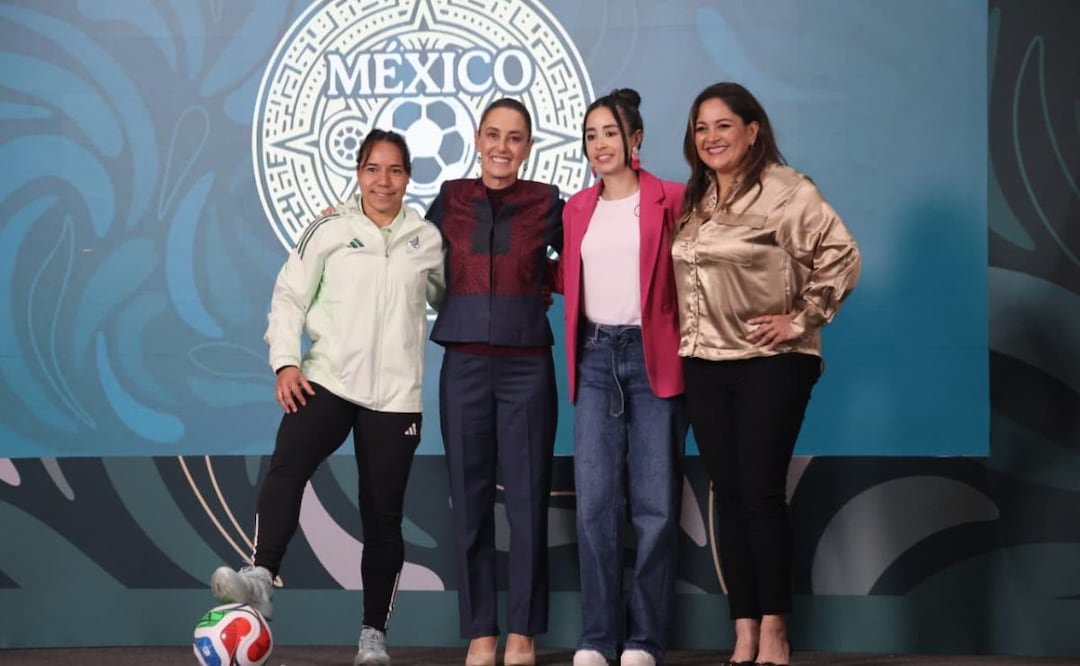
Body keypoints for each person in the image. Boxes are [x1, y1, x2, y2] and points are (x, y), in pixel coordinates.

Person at [209, 130, 445, 666]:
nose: (383, 181)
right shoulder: (330, 226)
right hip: (329, 379)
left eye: (395, 171)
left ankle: (372, 638)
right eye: (373, 169)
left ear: (408, 177)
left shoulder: (427, 239)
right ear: (358, 172)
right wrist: (286, 361)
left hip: (395, 398)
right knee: (287, 467)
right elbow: (289, 295)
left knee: (382, 518)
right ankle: (261, 576)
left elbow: (455, 293)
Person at [672, 82, 860, 666]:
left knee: (759, 492)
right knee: (727, 496)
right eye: (702, 128)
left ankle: (775, 629)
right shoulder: (695, 199)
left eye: (723, 125)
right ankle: (744, 628)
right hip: (704, 362)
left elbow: (842, 254)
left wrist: (801, 318)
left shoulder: (786, 190)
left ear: (753, 129)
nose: (711, 138)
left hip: (771, 365)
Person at [425, 98, 564, 666]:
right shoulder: (451, 198)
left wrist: (544, 283)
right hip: (462, 364)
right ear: (477, 139)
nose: (502, 147)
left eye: (515, 138)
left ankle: (523, 633)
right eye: (493, 135)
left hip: (527, 364)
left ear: (528, 147)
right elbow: (414, 260)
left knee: (528, 500)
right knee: (471, 500)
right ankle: (482, 631)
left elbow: (579, 262)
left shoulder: (546, 201)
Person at [553, 89, 686, 666]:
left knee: (654, 506)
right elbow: (568, 279)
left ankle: (645, 640)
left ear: (635, 139)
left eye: (609, 132)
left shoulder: (672, 199)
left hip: (652, 357)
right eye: (590, 135)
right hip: (595, 355)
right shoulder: (577, 207)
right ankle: (598, 637)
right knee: (596, 506)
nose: (598, 144)